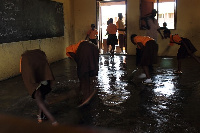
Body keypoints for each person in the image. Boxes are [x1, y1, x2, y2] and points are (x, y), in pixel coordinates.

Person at [20, 49, 58, 126]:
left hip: (37, 81)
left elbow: (25, 73)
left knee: (39, 98)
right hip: (44, 80)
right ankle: (40, 117)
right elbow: (46, 67)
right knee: (42, 97)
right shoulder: (39, 55)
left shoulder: (25, 58)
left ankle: (52, 121)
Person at [66, 40, 99, 107]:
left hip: (86, 50)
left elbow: (78, 61)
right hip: (94, 50)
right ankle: (90, 88)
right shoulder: (77, 46)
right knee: (91, 70)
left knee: (83, 74)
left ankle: (85, 96)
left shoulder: (69, 50)